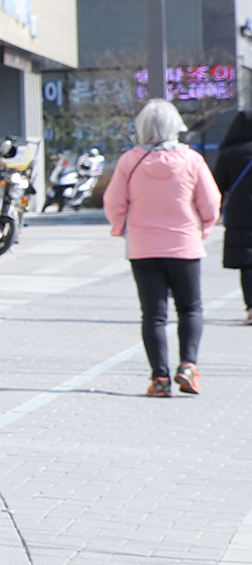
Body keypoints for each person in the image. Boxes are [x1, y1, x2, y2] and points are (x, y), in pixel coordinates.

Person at [103, 98, 220, 396]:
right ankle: (188, 367)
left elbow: (114, 202)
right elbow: (211, 201)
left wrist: (120, 227)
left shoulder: (131, 160)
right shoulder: (191, 160)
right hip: (184, 246)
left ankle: (159, 379)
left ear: (143, 127)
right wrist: (205, 226)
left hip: (143, 248)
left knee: (153, 315)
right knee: (190, 308)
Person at [213, 110, 252, 323]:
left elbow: (216, 187)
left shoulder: (229, 154)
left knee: (248, 263)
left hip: (240, 215)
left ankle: (251, 307)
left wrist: (214, 212)